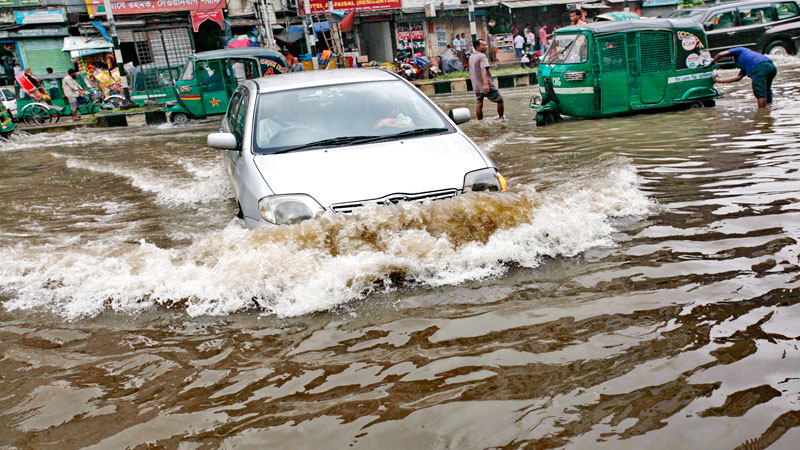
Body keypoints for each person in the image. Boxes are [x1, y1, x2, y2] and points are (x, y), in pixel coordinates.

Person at [711, 47, 777, 108]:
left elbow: (720, 54)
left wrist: (712, 61)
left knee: (759, 92)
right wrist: (719, 80)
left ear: (734, 56)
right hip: (772, 67)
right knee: (767, 90)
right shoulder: (746, 62)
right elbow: (738, 78)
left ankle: (762, 113)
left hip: (760, 67)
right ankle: (769, 108)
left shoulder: (740, 50)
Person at [469, 38, 504, 121]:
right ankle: (501, 118)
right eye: (484, 45)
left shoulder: (472, 56)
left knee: (479, 103)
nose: (486, 47)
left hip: (476, 86)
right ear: (477, 47)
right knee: (500, 100)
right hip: (486, 85)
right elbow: (483, 69)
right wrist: (486, 84)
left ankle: (480, 121)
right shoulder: (482, 56)